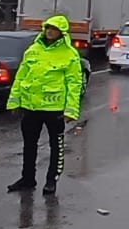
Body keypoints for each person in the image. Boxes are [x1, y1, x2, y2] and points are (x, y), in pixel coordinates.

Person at [6, 15, 84, 195]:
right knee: (29, 145)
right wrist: (14, 100)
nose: (49, 31)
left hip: (54, 109)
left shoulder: (70, 54)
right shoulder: (33, 50)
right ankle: (27, 178)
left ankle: (51, 180)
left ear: (61, 32)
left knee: (56, 146)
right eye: (48, 27)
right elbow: (21, 77)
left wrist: (71, 109)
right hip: (30, 107)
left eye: (54, 29)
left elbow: (74, 83)